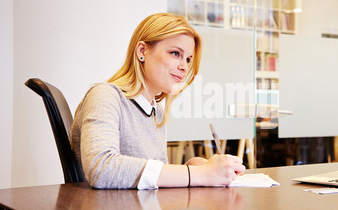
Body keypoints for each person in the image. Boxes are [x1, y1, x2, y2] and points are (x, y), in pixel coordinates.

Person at [70, 13, 245, 189]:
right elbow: (102, 169)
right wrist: (198, 174)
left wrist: (194, 166)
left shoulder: (156, 111)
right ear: (142, 51)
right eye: (175, 53)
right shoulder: (105, 96)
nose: (184, 66)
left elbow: (150, 179)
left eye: (188, 59)